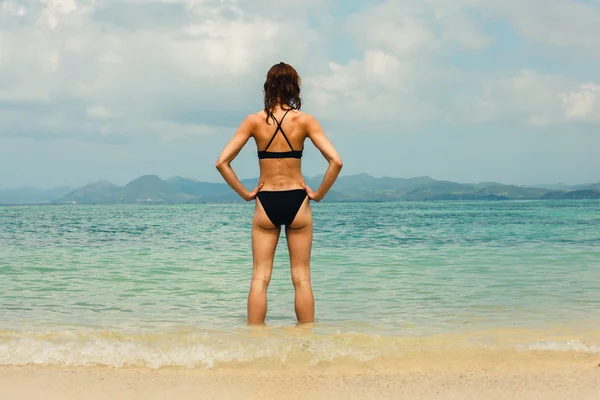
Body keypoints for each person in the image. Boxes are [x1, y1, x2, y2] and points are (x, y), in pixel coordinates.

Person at [215, 62, 343, 326]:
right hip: (298, 200)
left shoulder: (253, 121)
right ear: (294, 86)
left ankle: (255, 341)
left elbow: (222, 162)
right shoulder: (305, 121)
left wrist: (245, 194)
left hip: (266, 201)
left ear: (268, 86)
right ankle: (307, 339)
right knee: (302, 277)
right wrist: (318, 194)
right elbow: (336, 162)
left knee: (260, 277)